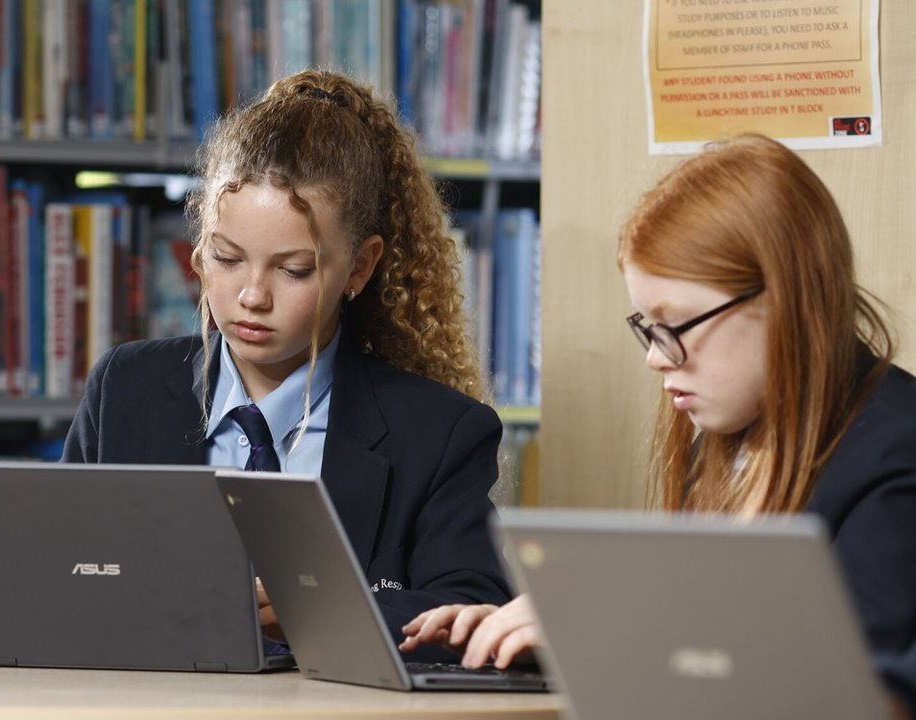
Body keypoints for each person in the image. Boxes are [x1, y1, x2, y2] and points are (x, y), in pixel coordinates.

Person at [400, 135, 916, 712]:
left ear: (784, 298)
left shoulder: (894, 455)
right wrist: (547, 635)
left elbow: (870, 700)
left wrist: (604, 635)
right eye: (648, 328)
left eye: (677, 325)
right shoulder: (729, 441)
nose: (656, 357)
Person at [64, 70, 512, 645]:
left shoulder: (439, 433)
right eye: (227, 259)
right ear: (200, 249)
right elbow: (65, 573)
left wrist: (325, 604)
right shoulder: (125, 387)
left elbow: (475, 606)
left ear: (360, 267)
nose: (253, 296)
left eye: (293, 270)